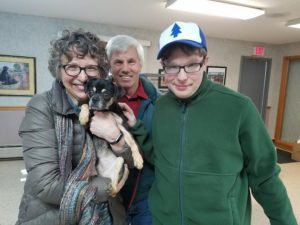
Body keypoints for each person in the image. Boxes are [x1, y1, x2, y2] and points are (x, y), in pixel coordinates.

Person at [122, 21, 298, 225]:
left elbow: (265, 178)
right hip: (164, 219)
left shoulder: (239, 108)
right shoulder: (161, 106)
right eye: (172, 66)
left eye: (191, 65)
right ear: (164, 67)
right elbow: (161, 158)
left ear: (205, 61)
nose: (181, 76)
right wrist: (138, 128)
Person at [15, 29, 131, 225]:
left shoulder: (110, 108)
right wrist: (108, 186)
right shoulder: (41, 107)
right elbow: (46, 186)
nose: (83, 77)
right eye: (72, 67)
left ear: (101, 72)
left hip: (108, 213)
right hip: (55, 216)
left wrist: (116, 138)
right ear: (59, 71)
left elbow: (130, 162)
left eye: (91, 68)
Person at [103, 34, 160, 225]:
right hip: (108, 196)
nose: (125, 68)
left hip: (146, 197)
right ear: (110, 66)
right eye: (118, 62)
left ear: (140, 65)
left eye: (131, 61)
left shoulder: (159, 104)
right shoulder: (98, 101)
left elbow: (161, 153)